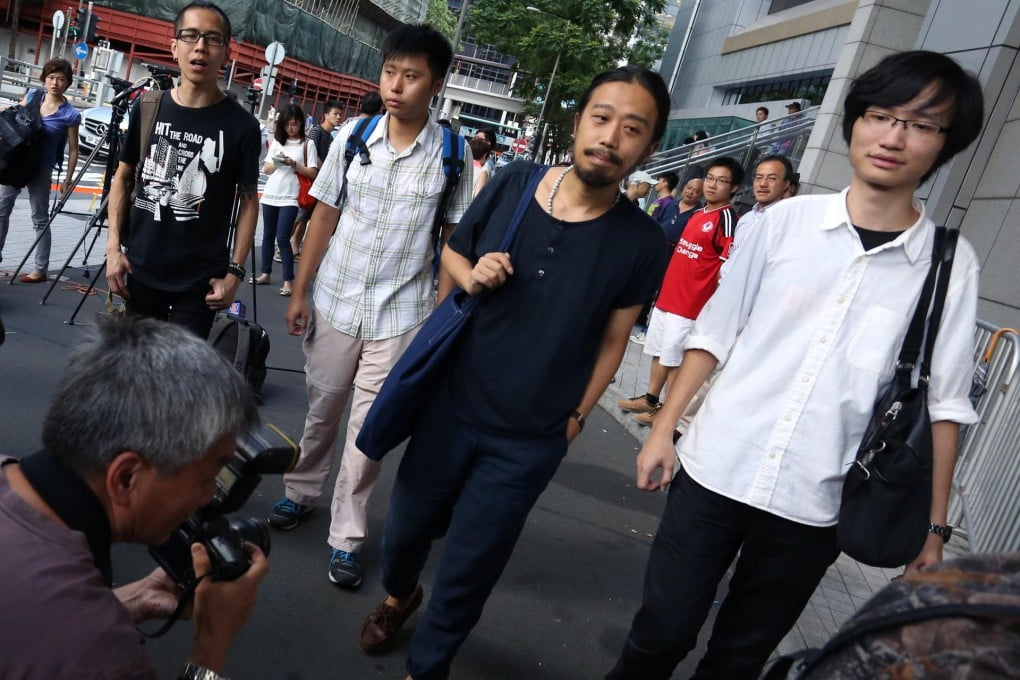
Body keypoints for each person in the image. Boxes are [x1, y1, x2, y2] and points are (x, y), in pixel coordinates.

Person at [607, 50, 985, 679]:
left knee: (738, 659)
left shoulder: (950, 263)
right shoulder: (784, 223)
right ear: (856, 122)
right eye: (881, 115)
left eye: (921, 124)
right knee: (659, 634)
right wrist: (664, 428)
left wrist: (935, 530)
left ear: (946, 144)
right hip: (715, 467)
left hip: (820, 502)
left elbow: (946, 403)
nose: (894, 136)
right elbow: (716, 332)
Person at [356, 64, 671, 680]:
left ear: (649, 147)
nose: (611, 137)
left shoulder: (642, 243)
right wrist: (470, 276)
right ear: (578, 120)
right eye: (601, 118)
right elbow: (453, 248)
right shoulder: (514, 182)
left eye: (632, 129)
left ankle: (430, 663)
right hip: (450, 406)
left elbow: (614, 339)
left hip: (528, 439)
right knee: (404, 530)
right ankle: (399, 594)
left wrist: (576, 419)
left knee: (473, 563)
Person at [268, 24, 472, 590]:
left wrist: (438, 321)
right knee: (323, 409)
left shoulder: (453, 154)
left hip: (402, 314)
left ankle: (347, 537)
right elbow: (323, 216)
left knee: (368, 431)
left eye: (411, 76)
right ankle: (301, 491)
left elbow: (453, 242)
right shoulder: (355, 136)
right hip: (336, 300)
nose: (396, 86)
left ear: (436, 84)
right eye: (390, 72)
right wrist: (301, 291)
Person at [0, 316, 268, 678]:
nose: (208, 499)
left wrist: (126, 601)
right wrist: (211, 641)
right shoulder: (99, 652)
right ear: (126, 477)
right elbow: (69, 636)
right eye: (206, 479)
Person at [105, 1, 260, 338]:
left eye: (213, 38)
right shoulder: (147, 107)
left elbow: (249, 201)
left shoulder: (242, 126)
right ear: (174, 47)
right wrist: (113, 249)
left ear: (226, 53)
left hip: (201, 282)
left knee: (181, 382)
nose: (201, 46)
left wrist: (235, 273)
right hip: (141, 269)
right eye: (190, 36)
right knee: (134, 369)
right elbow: (123, 177)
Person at [617, 157, 741, 427]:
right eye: (710, 178)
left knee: (675, 361)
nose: (713, 185)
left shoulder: (727, 218)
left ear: (734, 188)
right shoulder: (699, 213)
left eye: (721, 181)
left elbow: (728, 267)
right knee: (660, 352)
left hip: (689, 305)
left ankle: (667, 414)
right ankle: (651, 399)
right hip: (667, 298)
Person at [0, 58, 80, 283]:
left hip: (40, 168)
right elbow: (17, 121)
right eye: (51, 77)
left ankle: (40, 268)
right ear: (45, 78)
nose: (55, 83)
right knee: (2, 209)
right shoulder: (33, 96)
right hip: (16, 162)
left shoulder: (70, 114)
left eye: (61, 79)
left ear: (68, 83)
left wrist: (68, 179)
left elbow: (73, 149)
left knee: (39, 218)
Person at [253, 104, 318, 297]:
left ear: (301, 124)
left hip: (290, 197)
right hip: (271, 193)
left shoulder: (308, 144)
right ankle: (265, 273)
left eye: (295, 124)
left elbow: (313, 172)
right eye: (288, 124)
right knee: (267, 236)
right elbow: (266, 169)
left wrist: (294, 164)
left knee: (282, 237)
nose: (291, 128)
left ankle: (288, 281)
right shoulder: (278, 142)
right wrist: (278, 162)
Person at [720, 154, 792, 277]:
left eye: (772, 178)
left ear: (786, 184)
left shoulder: (786, 224)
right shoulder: (746, 218)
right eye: (758, 178)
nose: (763, 184)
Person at [289, 100, 342, 259]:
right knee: (300, 215)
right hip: (310, 179)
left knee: (305, 217)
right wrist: (325, 168)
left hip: (318, 180)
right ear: (326, 115)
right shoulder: (317, 131)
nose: (339, 117)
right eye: (335, 114)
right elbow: (312, 154)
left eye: (340, 114)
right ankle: (282, 247)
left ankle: (294, 248)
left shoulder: (330, 137)